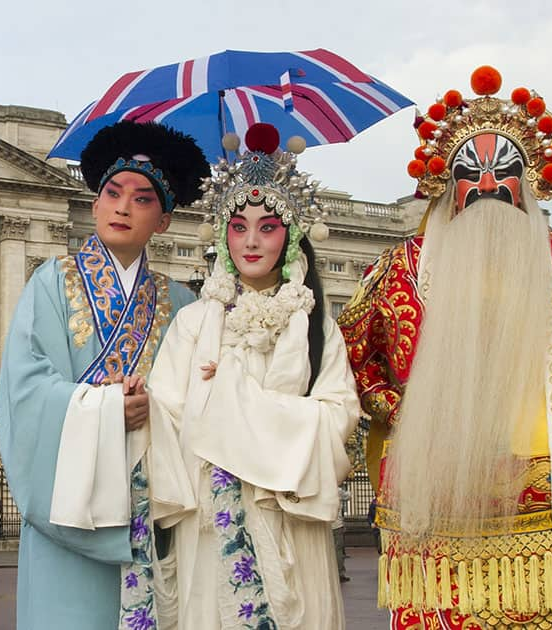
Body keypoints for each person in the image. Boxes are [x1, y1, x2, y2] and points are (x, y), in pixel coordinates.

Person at [338, 66, 552, 628]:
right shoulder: (400, 273)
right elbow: (356, 363)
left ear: (532, 179)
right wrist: (412, 416)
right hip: (446, 506)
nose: (486, 186)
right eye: (468, 172)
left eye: (504, 172)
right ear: (445, 184)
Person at [0, 120, 209, 629]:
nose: (122, 207)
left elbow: (196, 400)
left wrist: (152, 407)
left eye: (141, 199)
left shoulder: (183, 302)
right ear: (94, 205)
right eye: (112, 194)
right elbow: (25, 386)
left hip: (149, 497)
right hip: (70, 497)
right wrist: (108, 408)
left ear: (163, 220)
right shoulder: (50, 282)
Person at [147, 123, 360, 629]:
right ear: (222, 234)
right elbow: (167, 417)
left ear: (290, 237)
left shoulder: (315, 325)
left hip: (287, 514)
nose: (251, 240)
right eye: (238, 226)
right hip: (211, 517)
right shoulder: (193, 322)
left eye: (267, 226)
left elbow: (340, 417)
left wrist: (235, 397)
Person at [334, 485, 351, 583]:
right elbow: (348, 496)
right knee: (338, 551)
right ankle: (340, 573)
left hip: (324, 525)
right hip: (337, 525)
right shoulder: (338, 490)